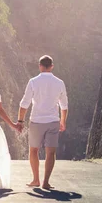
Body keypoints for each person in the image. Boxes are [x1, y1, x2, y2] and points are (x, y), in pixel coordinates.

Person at [18, 55, 68, 190]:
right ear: (52, 66)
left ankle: (36, 180)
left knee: (33, 150)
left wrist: (20, 121)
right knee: (50, 152)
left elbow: (24, 103)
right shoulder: (59, 82)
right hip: (53, 121)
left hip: (36, 121)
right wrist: (63, 121)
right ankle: (46, 182)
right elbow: (64, 105)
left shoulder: (33, 82)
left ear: (40, 66)